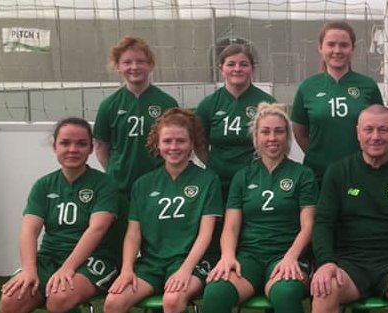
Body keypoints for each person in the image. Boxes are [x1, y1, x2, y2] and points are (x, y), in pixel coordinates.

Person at [310, 105, 388, 313]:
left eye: (383, 130)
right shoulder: (338, 171)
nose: (376, 137)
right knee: (325, 290)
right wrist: (326, 262)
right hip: (350, 264)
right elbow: (323, 223)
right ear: (358, 133)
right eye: (369, 129)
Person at [201, 103, 317, 313]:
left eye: (279, 131)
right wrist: (227, 256)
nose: (272, 138)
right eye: (265, 132)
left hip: (287, 254)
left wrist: (291, 257)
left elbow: (308, 226)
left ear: (287, 136)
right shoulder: (242, 177)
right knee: (216, 293)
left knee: (285, 292)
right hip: (249, 257)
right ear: (256, 136)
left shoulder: (303, 174)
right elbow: (231, 227)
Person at [0, 118, 123, 313]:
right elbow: (29, 231)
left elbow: (97, 229)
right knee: (11, 301)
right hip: (50, 257)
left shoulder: (105, 184)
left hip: (93, 259)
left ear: (91, 148)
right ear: (54, 147)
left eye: (81, 144)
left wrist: (68, 267)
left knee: (60, 298)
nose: (73, 149)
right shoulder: (43, 185)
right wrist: (29, 269)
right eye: (65, 143)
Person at [104, 109, 222, 313]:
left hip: (192, 261)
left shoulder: (208, 180)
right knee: (114, 302)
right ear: (157, 144)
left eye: (181, 141)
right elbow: (133, 234)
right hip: (152, 264)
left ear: (192, 143)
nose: (174, 147)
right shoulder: (143, 184)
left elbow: (206, 234)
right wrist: (127, 269)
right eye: (167, 141)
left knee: (173, 300)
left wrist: (185, 270)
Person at [291, 21, 384, 181]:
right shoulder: (308, 87)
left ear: (352, 49)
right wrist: (320, 158)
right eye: (331, 44)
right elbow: (301, 133)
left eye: (344, 45)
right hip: (319, 176)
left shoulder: (368, 86)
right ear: (320, 47)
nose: (337, 50)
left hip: (361, 173)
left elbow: (379, 129)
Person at [94, 35, 180, 195]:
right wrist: (115, 173)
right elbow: (100, 146)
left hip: (158, 185)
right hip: (120, 186)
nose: (134, 67)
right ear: (118, 67)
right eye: (127, 62)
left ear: (150, 65)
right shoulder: (109, 105)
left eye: (140, 61)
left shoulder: (167, 103)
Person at [195, 44, 276, 196]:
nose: (237, 69)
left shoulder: (266, 103)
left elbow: (276, 143)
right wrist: (216, 166)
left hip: (255, 180)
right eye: (231, 64)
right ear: (221, 69)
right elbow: (199, 143)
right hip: (219, 182)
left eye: (244, 64)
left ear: (252, 68)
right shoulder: (209, 104)